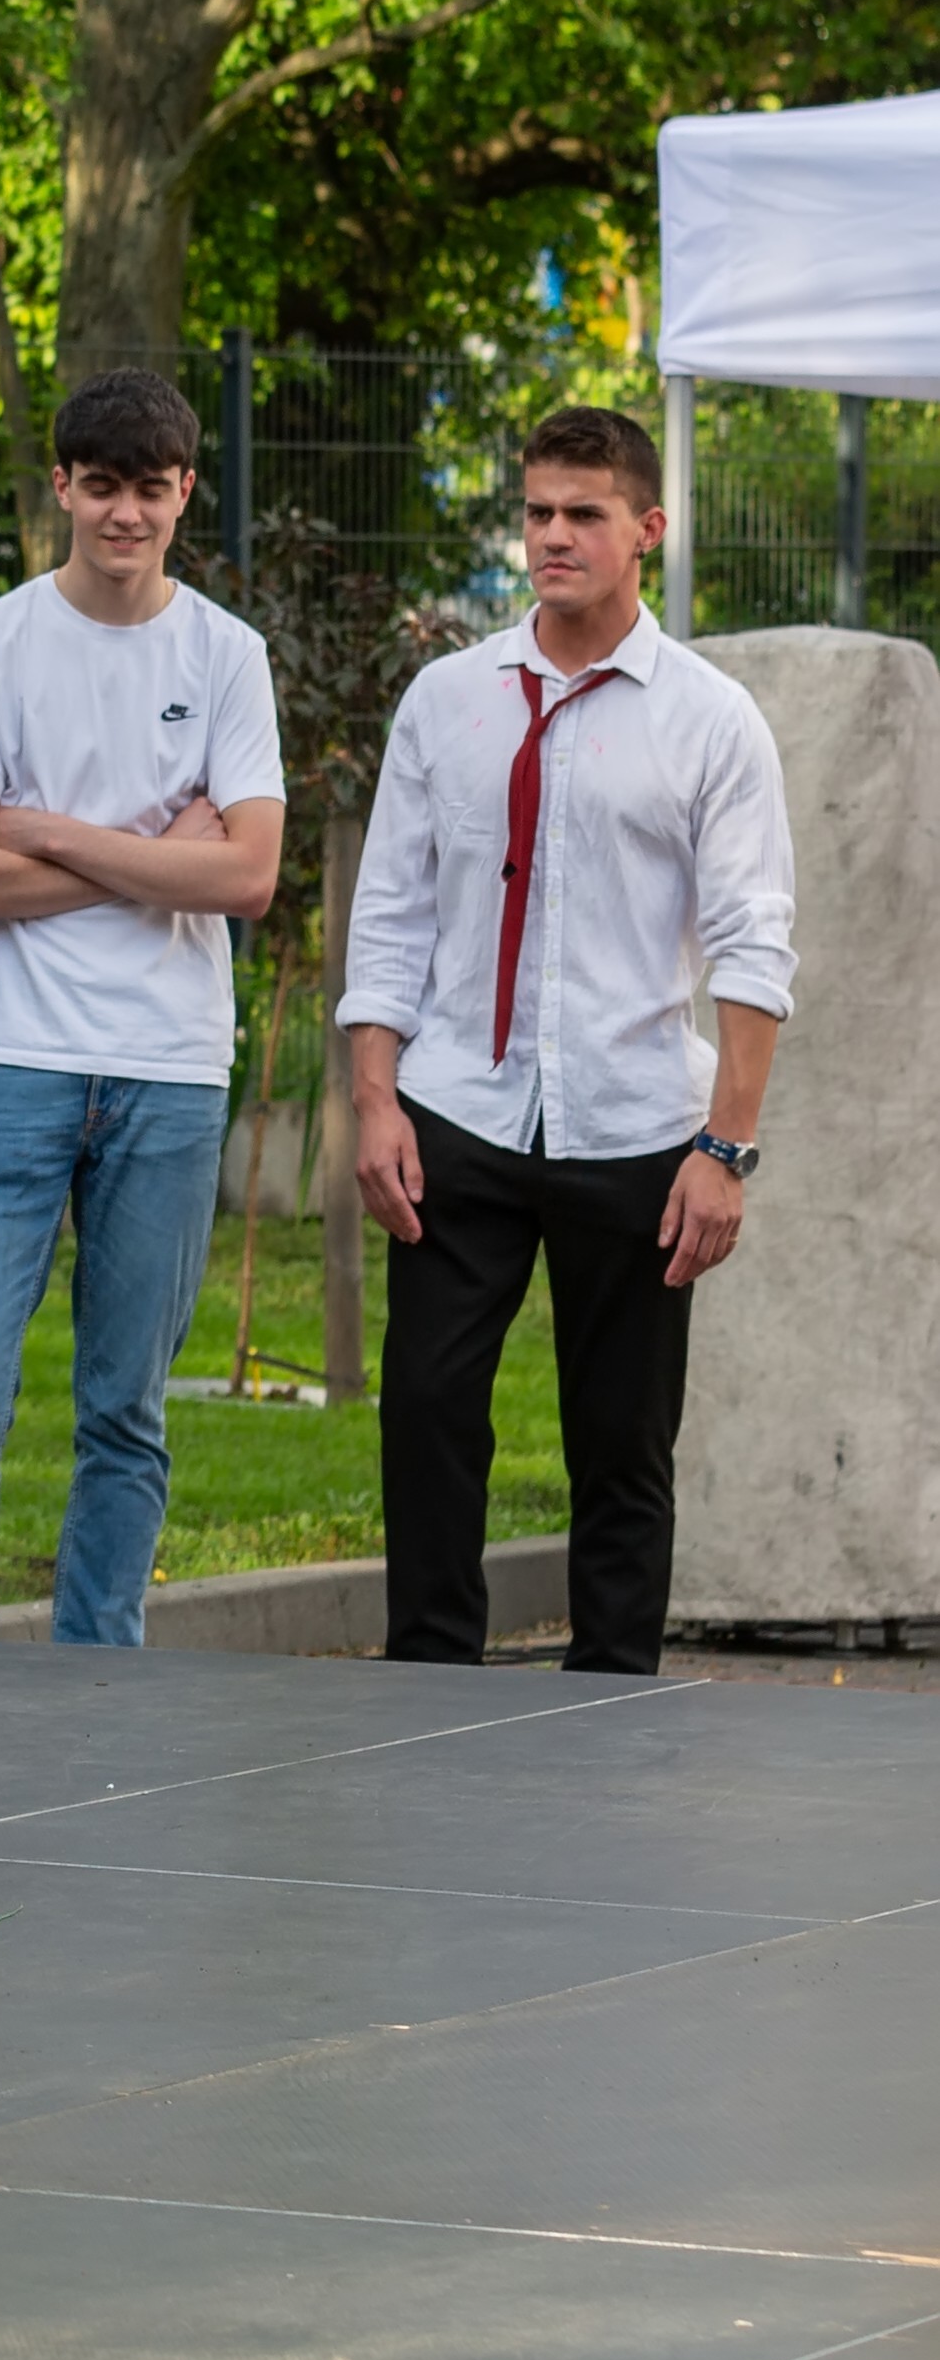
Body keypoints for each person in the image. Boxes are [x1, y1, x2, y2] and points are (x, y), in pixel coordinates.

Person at [344, 406, 793, 1676]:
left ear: (647, 530)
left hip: (639, 1126)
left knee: (622, 1444)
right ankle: (427, 1686)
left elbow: (754, 949)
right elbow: (389, 916)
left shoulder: (710, 720)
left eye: (582, 515)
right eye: (537, 511)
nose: (551, 535)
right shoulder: (447, 700)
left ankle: (609, 1708)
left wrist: (725, 1150)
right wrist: (374, 1100)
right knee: (426, 1409)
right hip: (457, 1112)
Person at [0, 370, 284, 1646]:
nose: (126, 513)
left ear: (184, 493)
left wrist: (54, 833)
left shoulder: (226, 655)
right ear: (62, 485)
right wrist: (155, 855)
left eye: (150, 489)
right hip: (5, 1058)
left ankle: (96, 1679)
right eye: (102, 485)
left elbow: (246, 877)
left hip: (168, 1068)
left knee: (127, 1409)